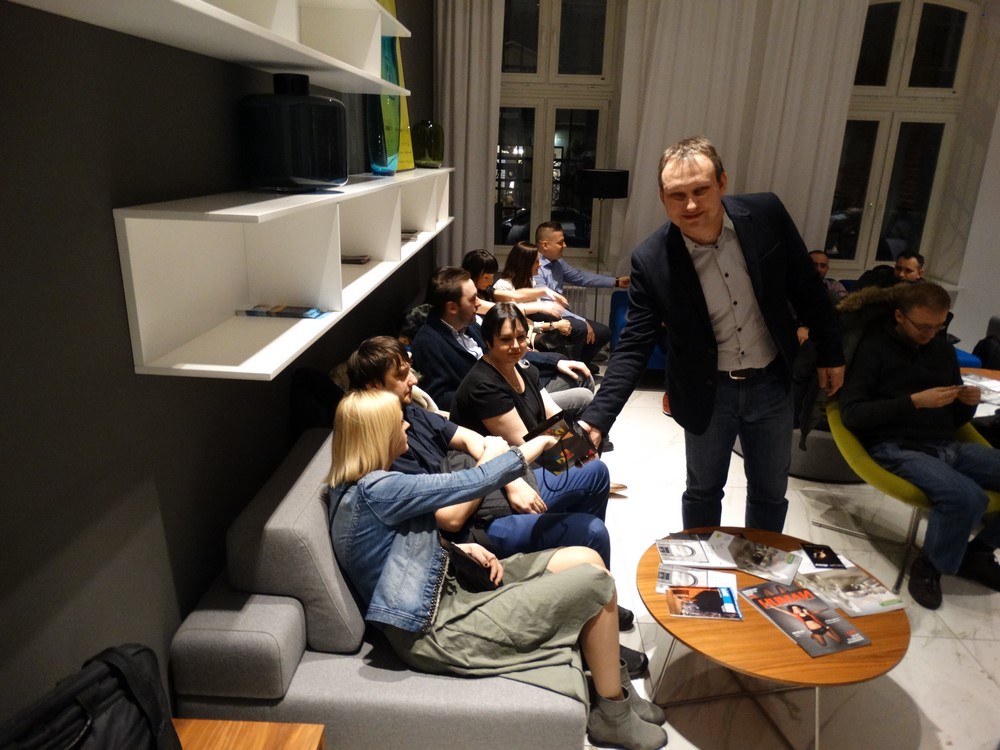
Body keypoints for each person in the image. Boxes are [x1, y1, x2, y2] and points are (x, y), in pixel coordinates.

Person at [327, 390, 667, 750]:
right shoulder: (378, 490)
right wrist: (535, 446)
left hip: (449, 583)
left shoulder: (357, 488)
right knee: (596, 583)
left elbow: (387, 550)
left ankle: (614, 684)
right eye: (399, 423)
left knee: (586, 558)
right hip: (438, 628)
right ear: (378, 433)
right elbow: (469, 483)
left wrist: (453, 548)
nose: (407, 426)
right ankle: (612, 714)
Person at [578, 135, 845, 532]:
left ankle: (760, 560)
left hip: (771, 382)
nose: (690, 205)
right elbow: (633, 344)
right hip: (706, 392)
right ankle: (703, 564)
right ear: (662, 197)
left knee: (770, 492)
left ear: (722, 182)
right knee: (703, 491)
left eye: (700, 190)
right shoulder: (651, 259)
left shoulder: (766, 213)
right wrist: (598, 418)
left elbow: (806, 286)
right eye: (677, 195)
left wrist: (831, 352)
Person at [346, 336, 637, 637]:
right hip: (474, 522)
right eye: (507, 339)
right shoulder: (391, 442)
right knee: (591, 531)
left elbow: (481, 439)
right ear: (489, 342)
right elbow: (452, 516)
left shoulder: (415, 411)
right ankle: (597, 617)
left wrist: (510, 478)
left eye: (521, 336)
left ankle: (596, 594)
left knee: (594, 471)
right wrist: (498, 468)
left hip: (488, 484)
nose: (518, 345)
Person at [838, 282, 1000, 609]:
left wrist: (967, 403)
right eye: (923, 327)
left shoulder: (942, 350)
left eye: (938, 326)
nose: (931, 333)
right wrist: (913, 402)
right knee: (965, 497)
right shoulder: (874, 349)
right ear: (900, 316)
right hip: (895, 445)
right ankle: (930, 565)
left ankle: (978, 553)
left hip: (945, 443)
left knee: (969, 491)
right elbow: (852, 414)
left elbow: (954, 419)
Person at [410, 266, 594, 413]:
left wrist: (556, 362)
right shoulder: (428, 342)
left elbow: (506, 353)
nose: (479, 303)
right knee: (584, 396)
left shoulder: (469, 325)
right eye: (472, 299)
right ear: (452, 308)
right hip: (500, 405)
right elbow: (439, 399)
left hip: (514, 385)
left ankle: (571, 439)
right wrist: (497, 394)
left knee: (580, 375)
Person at [534, 221, 625, 367]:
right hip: (544, 313)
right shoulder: (534, 265)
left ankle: (580, 364)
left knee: (604, 333)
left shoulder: (558, 262)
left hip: (560, 311)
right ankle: (570, 367)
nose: (564, 246)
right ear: (545, 245)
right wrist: (580, 320)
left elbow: (580, 277)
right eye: (560, 242)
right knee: (581, 327)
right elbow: (546, 303)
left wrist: (616, 282)